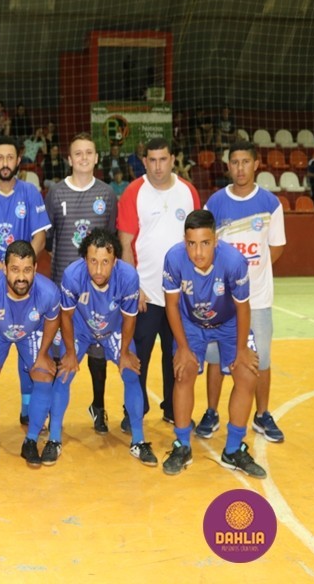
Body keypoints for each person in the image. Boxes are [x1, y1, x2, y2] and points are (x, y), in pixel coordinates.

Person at [161, 209, 266, 479]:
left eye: (205, 243)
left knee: (247, 374)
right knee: (183, 372)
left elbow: (243, 307)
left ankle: (233, 449)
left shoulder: (233, 261)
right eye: (191, 243)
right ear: (184, 241)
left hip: (229, 323)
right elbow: (171, 305)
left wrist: (241, 350)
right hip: (191, 323)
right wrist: (183, 348)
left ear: (215, 240)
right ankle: (182, 445)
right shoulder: (173, 258)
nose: (198, 252)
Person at [195, 140, 287, 443]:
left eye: (246, 162)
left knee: (261, 359)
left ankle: (262, 415)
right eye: (234, 162)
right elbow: (206, 246)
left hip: (257, 298)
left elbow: (276, 248)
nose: (240, 168)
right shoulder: (215, 203)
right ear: (228, 166)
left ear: (256, 164)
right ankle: (211, 412)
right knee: (214, 357)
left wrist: (250, 274)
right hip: (220, 300)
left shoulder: (271, 204)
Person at [117, 137, 200, 428]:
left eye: (163, 159)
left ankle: (174, 408)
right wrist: (134, 287)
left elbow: (197, 241)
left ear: (173, 159)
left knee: (175, 354)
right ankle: (134, 412)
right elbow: (125, 244)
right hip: (146, 294)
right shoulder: (133, 192)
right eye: (151, 160)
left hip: (180, 295)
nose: (157, 166)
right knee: (138, 356)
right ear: (144, 162)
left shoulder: (188, 192)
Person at [58, 228, 157, 466]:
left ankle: (139, 441)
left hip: (113, 329)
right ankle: (54, 439)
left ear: (115, 261)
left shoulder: (128, 276)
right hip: (81, 328)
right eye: (93, 261)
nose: (99, 270)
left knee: (131, 373)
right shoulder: (72, 275)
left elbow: (130, 318)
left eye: (105, 262)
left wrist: (124, 353)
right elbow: (65, 317)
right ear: (85, 259)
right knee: (63, 374)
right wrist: (70, 353)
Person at [0, 135, 51, 426]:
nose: (5, 163)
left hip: (24, 287)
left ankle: (28, 408)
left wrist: (20, 270)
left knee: (28, 348)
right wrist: (4, 271)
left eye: (10, 157)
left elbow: (40, 236)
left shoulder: (30, 192)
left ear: (18, 160)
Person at [44, 133, 117, 435]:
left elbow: (110, 240)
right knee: (61, 354)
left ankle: (98, 406)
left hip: (97, 292)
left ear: (96, 158)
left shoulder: (107, 194)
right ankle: (53, 413)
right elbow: (49, 239)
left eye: (89, 152)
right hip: (63, 289)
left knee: (98, 354)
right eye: (78, 153)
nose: (84, 158)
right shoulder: (56, 193)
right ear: (70, 159)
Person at [0, 241, 61, 468]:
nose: (21, 277)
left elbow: (52, 321)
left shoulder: (49, 292)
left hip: (30, 332)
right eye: (15, 270)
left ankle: (31, 441)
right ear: (5, 268)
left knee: (44, 374)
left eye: (27, 270)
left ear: (35, 268)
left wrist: (43, 354)